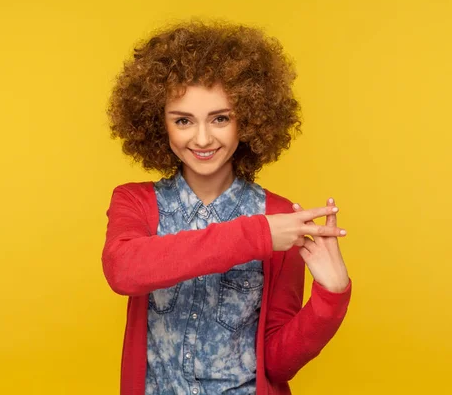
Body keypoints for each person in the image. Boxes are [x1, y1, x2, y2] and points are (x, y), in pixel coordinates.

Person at [102, 21, 352, 395]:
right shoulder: (136, 202)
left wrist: (331, 295)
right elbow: (123, 270)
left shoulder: (279, 214)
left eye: (220, 118)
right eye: (183, 120)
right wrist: (259, 235)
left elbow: (278, 362)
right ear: (160, 124)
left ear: (249, 119)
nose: (202, 138)